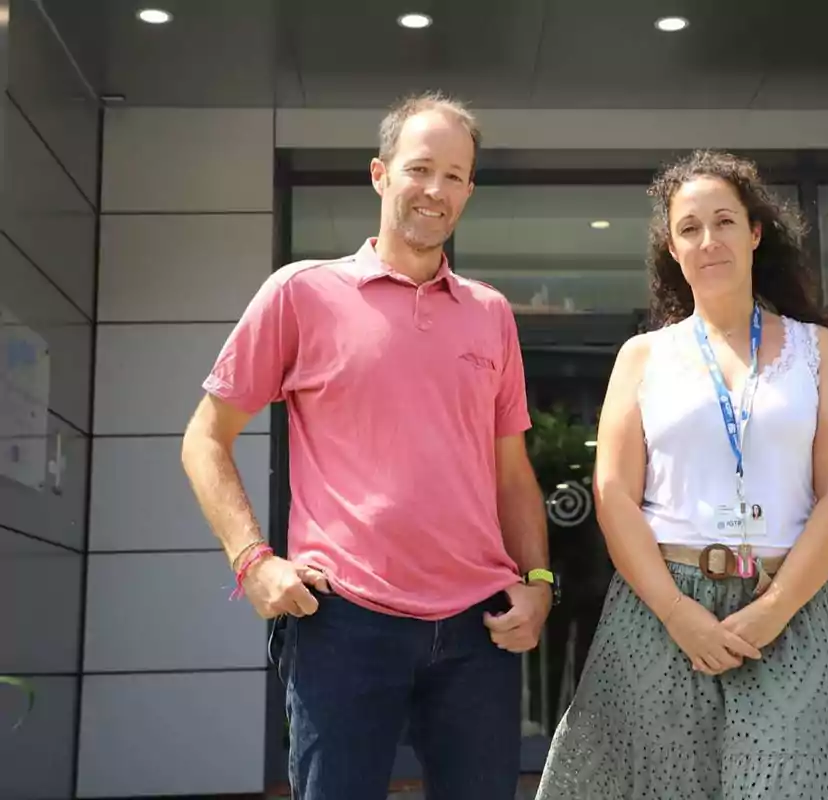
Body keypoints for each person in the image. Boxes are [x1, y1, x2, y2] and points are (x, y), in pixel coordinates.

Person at [180, 92, 558, 800]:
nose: (436, 191)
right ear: (381, 175)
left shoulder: (491, 315)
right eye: (420, 169)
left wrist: (539, 584)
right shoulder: (301, 294)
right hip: (344, 624)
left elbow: (511, 473)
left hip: (478, 630)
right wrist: (254, 563)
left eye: (454, 176)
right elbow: (205, 438)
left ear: (469, 191)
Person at [536, 150, 828, 799]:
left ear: (754, 232)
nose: (707, 239)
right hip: (661, 603)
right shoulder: (643, 356)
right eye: (689, 227)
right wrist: (675, 610)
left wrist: (776, 608)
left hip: (787, 602)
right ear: (672, 245)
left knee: (787, 782)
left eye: (723, 221)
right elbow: (613, 493)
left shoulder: (814, 349)